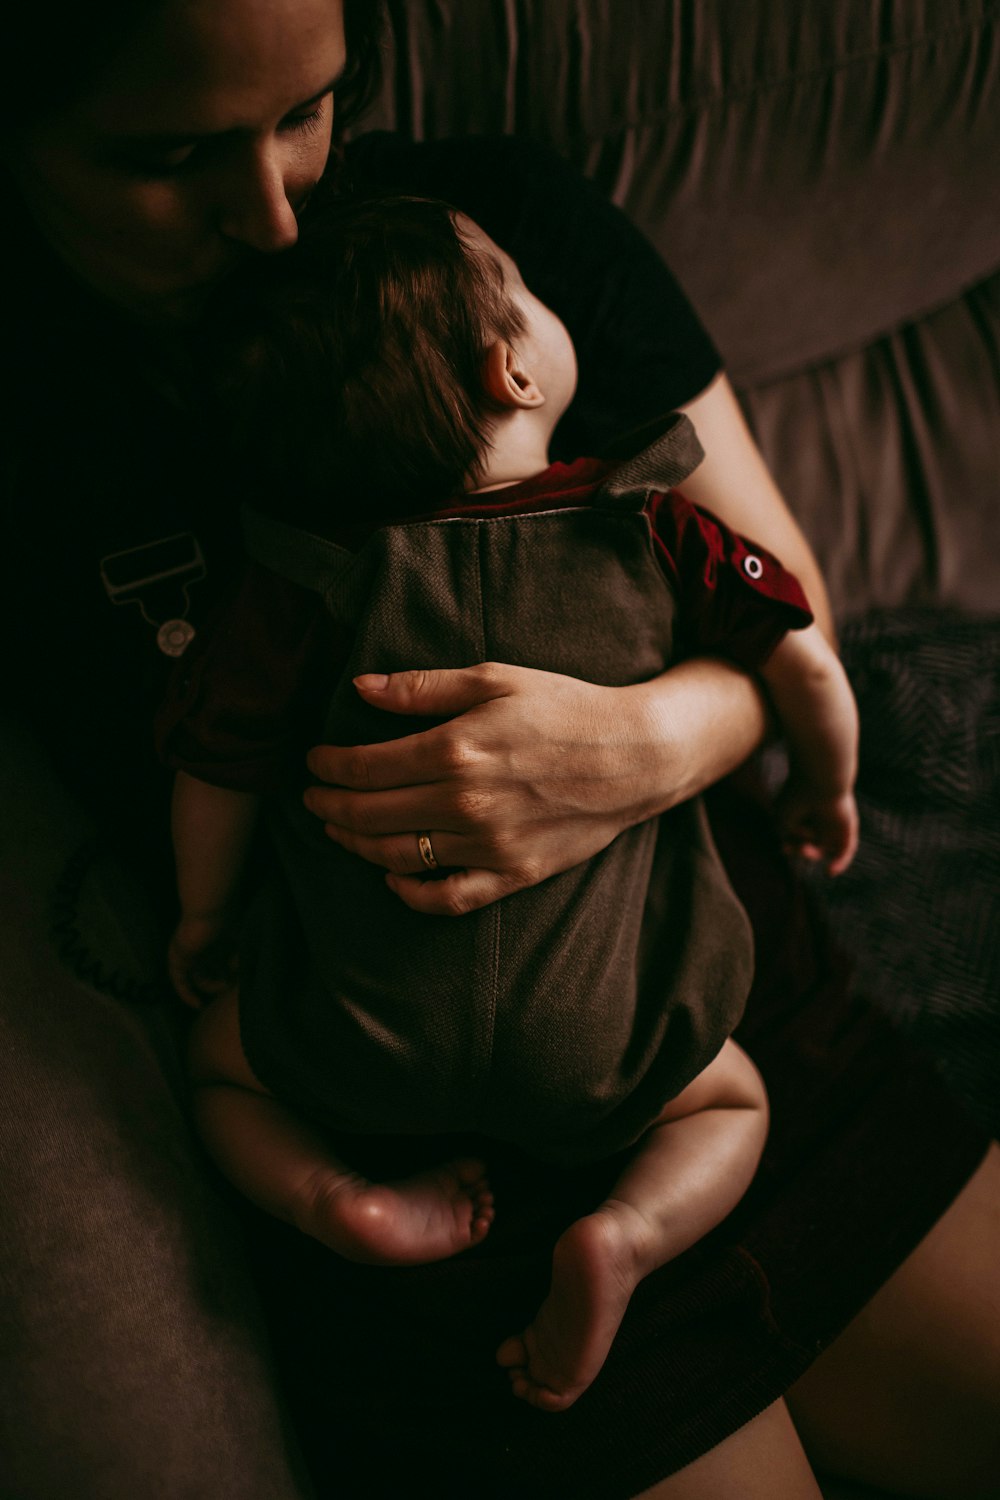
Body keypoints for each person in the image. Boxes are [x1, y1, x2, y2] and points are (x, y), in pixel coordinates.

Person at [1, 0, 997, 1496]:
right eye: (169, 153)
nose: (272, 216)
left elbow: (788, 613)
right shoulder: (35, 405)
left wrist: (630, 746)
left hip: (720, 1014)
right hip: (433, 1192)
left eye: (304, 115)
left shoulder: (497, 223)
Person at [158, 195, 859, 1412]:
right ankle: (628, 1233)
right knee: (730, 1098)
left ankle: (343, 1199)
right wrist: (827, 782)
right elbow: (804, 656)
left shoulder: (296, 583)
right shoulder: (659, 529)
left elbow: (212, 777)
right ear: (515, 364)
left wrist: (203, 923)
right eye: (528, 289)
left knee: (216, 1073)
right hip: (611, 1034)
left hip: (360, 1043)